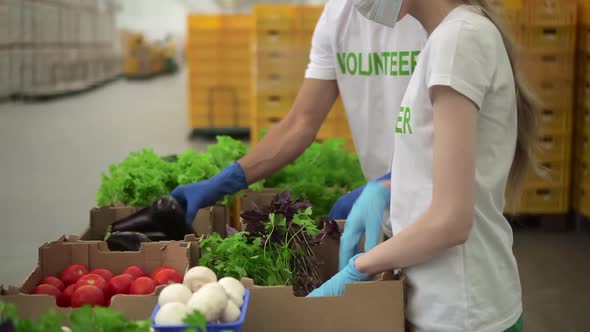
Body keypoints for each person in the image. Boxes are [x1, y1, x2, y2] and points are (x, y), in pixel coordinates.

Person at [307, 1, 536, 332]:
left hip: (464, 314)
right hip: (441, 305)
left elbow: (451, 221)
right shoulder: (446, 38)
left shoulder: (458, 41)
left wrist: (359, 267)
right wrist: (388, 189)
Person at [171, 0, 427, 244]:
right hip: (391, 216)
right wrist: (224, 181)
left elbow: (462, 134)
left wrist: (392, 183)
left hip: (443, 206)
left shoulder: (433, 16)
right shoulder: (338, 16)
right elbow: (300, 123)